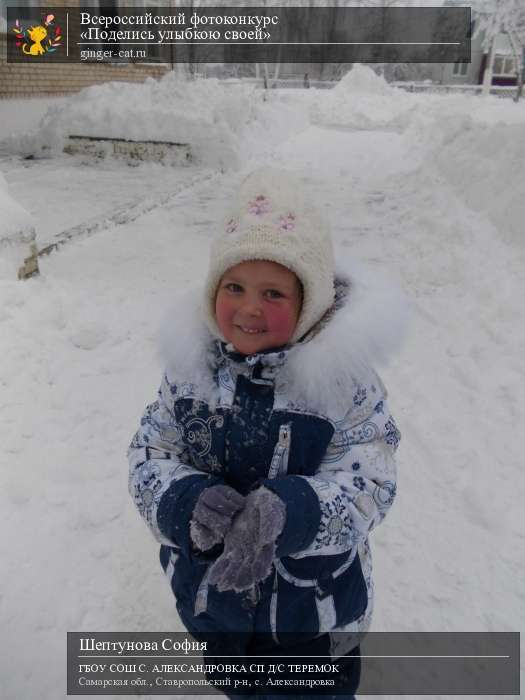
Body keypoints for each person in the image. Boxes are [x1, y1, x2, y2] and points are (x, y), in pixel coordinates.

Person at [128, 168, 405, 698]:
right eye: (234, 287)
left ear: (310, 303)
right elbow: (150, 452)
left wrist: (293, 511)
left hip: (311, 623)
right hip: (216, 609)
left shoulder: (341, 384)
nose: (250, 307)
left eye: (273, 293)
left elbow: (371, 478)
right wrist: (185, 501)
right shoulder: (190, 372)